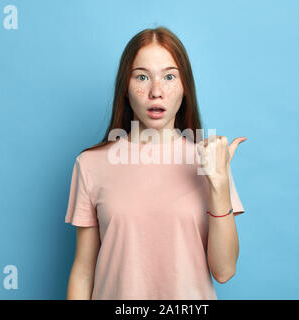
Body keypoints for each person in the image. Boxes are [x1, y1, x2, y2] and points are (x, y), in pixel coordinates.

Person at [65, 26, 247, 300]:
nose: (156, 91)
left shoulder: (210, 162)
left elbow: (224, 271)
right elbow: (83, 271)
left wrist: (219, 183)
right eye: (142, 77)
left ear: (185, 87)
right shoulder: (90, 164)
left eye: (169, 77)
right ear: (125, 89)